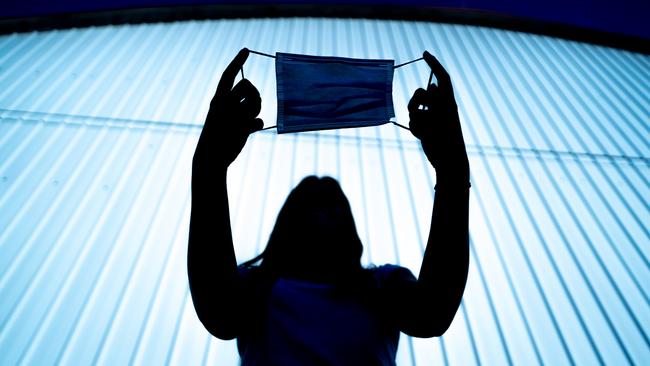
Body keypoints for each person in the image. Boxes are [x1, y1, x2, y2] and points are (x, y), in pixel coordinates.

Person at [188, 48, 470, 365]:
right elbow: (218, 309)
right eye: (311, 208)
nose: (323, 216)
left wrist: (452, 169)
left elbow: (432, 311)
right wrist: (209, 164)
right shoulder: (255, 289)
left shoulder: (381, 287)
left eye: (334, 208)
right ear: (287, 226)